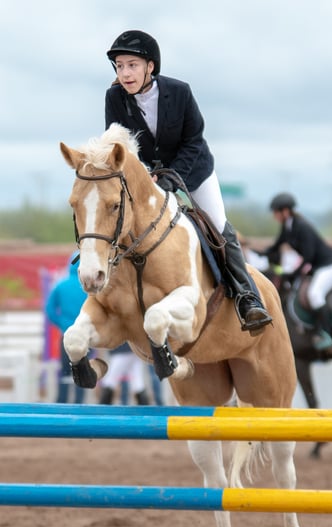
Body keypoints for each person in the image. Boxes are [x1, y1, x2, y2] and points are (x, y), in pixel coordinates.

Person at [104, 29, 272, 336]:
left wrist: (172, 176)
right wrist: (143, 175)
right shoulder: (114, 97)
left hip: (193, 171)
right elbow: (120, 145)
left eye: (131, 65)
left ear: (149, 66)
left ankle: (249, 299)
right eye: (119, 66)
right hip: (147, 178)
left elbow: (194, 140)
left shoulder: (179, 92)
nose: (125, 73)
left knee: (219, 226)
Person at [260, 192, 332, 352]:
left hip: (331, 264)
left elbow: (308, 257)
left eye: (276, 212)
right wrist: (260, 252)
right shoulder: (288, 226)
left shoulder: (302, 227)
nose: (274, 216)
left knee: (315, 294)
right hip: (319, 265)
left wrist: (292, 273)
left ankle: (327, 334)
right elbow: (276, 245)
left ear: (285, 211)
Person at [45, 252, 87, 403]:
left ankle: (61, 403)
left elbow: (49, 310)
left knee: (64, 372)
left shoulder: (60, 285)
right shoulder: (89, 288)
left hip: (66, 336)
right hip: (85, 338)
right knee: (83, 372)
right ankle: (79, 405)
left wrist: (62, 323)